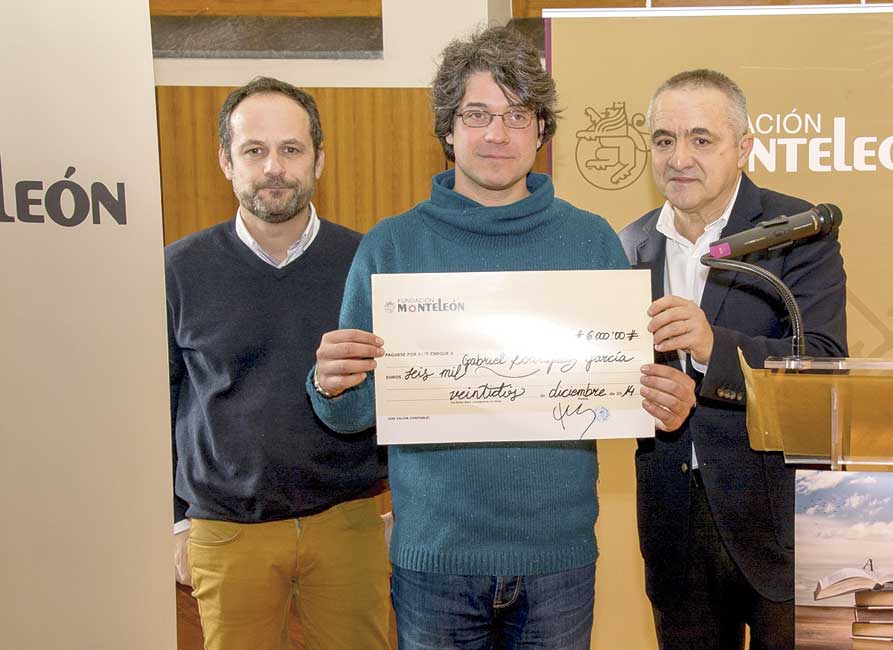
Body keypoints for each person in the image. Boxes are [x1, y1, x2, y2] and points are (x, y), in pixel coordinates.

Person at [306, 27, 696, 650]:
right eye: (478, 114)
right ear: (447, 129)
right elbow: (352, 413)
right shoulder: (392, 245)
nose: (497, 133)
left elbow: (630, 389)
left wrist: (667, 398)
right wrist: (329, 383)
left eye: (518, 115)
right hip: (434, 560)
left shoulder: (592, 241)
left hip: (558, 560)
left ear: (542, 132)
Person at [619, 69, 848, 650]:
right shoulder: (627, 246)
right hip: (671, 523)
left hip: (776, 520)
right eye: (664, 140)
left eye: (701, 139)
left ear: (743, 147)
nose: (679, 158)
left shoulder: (795, 231)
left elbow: (822, 363)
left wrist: (712, 347)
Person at [167, 77, 390, 650]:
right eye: (254, 150)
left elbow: (401, 392)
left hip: (347, 522)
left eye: (291, 149)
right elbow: (159, 404)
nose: (274, 167)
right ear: (226, 161)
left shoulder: (368, 263)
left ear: (319, 159)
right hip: (225, 530)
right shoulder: (177, 270)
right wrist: (175, 521)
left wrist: (400, 506)